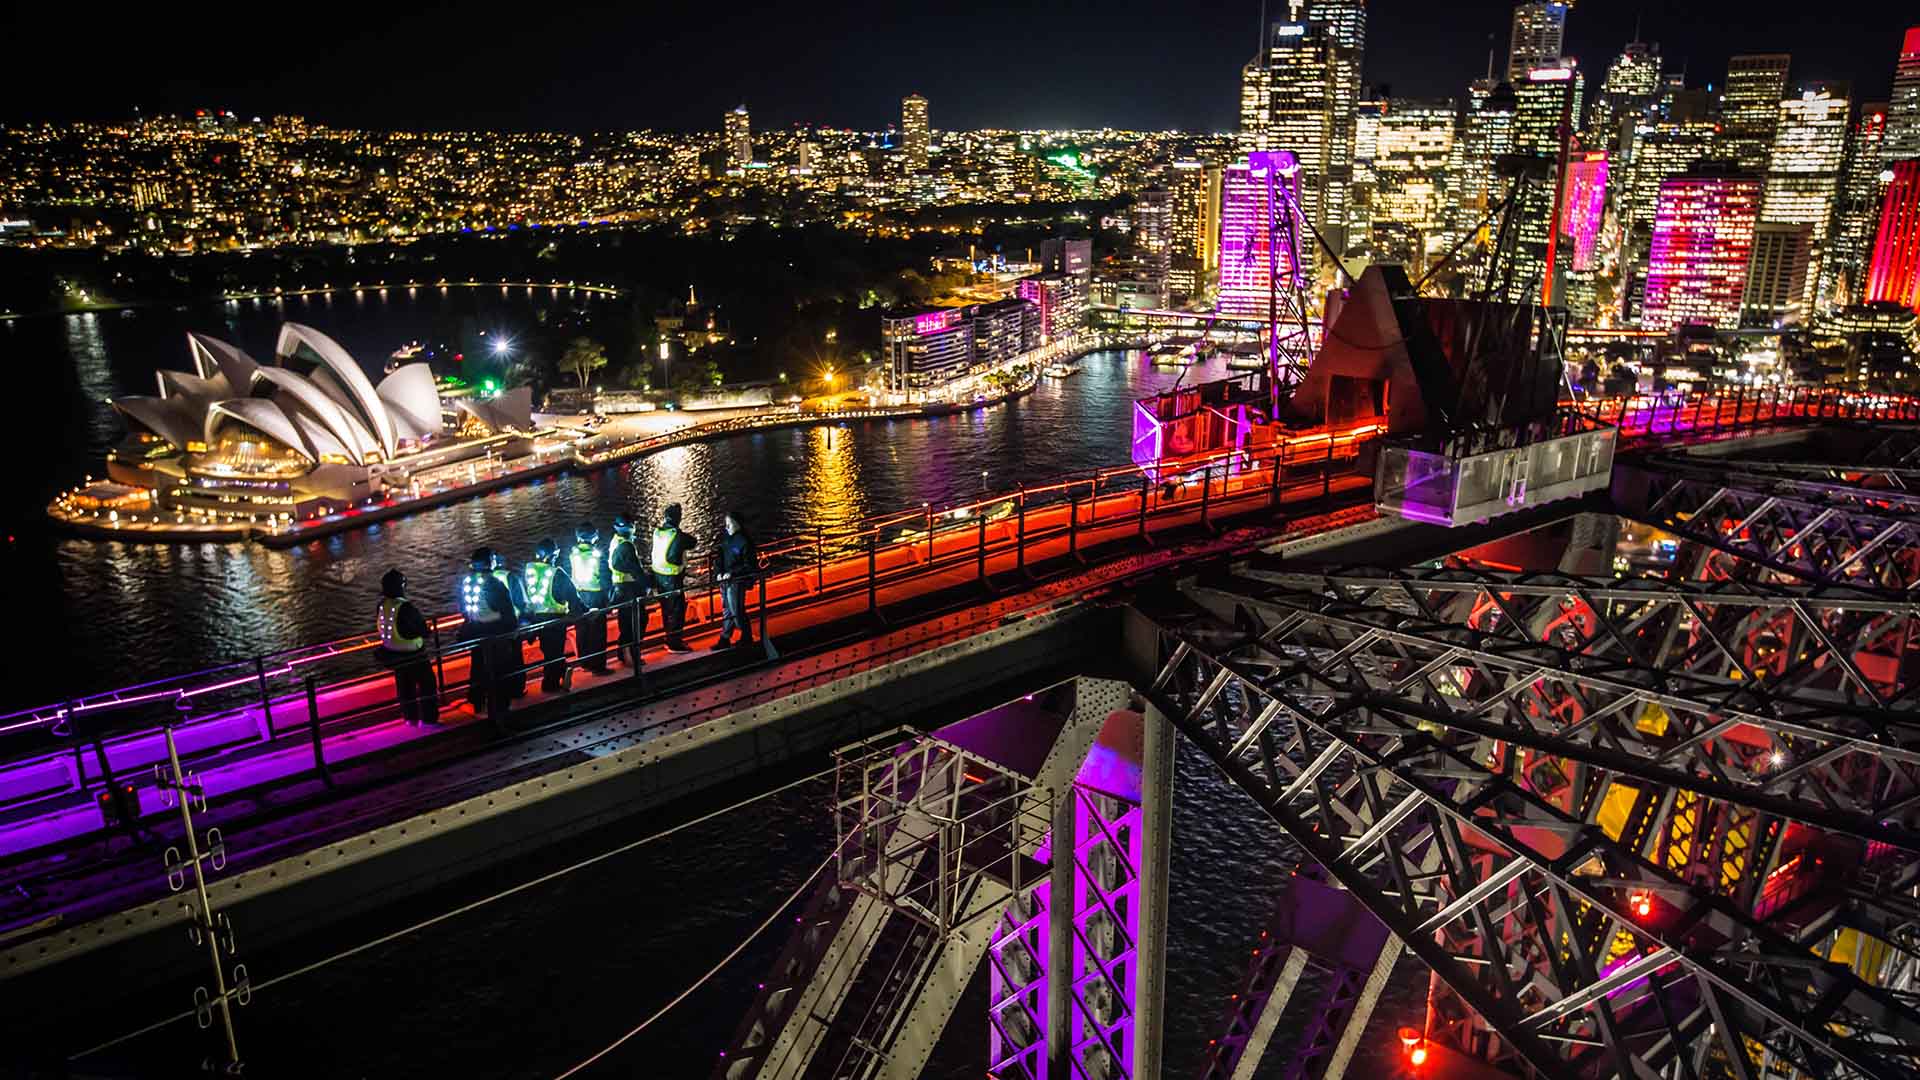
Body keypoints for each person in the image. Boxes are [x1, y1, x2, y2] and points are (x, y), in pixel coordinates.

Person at [459, 547, 517, 719]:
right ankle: (499, 708)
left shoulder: (467, 582)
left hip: (475, 631)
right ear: (489, 562)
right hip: (495, 632)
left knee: (478, 668)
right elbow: (507, 610)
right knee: (500, 671)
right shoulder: (494, 583)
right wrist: (513, 630)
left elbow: (463, 608)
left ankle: (477, 700)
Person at [374, 568, 438, 725]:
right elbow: (422, 630)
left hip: (394, 655)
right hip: (414, 654)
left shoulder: (382, 606)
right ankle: (429, 720)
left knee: (405, 688)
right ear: (402, 586)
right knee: (427, 685)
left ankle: (411, 718)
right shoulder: (406, 607)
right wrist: (428, 631)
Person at [521, 539, 572, 692]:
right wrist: (583, 610)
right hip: (555, 619)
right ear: (554, 554)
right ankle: (551, 683)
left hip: (537, 618)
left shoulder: (529, 570)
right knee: (555, 651)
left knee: (548, 650)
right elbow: (572, 594)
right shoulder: (557, 573)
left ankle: (558, 673)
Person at [651, 503, 700, 653]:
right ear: (678, 519)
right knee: (677, 611)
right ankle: (675, 643)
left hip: (659, 578)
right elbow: (693, 542)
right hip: (672, 580)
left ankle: (669, 638)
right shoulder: (677, 536)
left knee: (666, 610)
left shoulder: (658, 532)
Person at [608, 514, 650, 669]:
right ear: (631, 527)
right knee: (638, 621)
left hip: (620, 588)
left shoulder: (616, 541)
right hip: (630, 589)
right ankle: (632, 656)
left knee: (625, 622)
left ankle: (623, 654)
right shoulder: (626, 546)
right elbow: (636, 570)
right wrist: (647, 585)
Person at [568, 522, 612, 674]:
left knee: (582, 630)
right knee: (598, 632)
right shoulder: (597, 554)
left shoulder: (573, 553)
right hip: (596, 596)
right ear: (594, 536)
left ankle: (585, 662)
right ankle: (598, 666)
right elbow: (605, 579)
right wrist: (608, 599)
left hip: (579, 596)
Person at [715, 509, 759, 650]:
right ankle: (725, 638)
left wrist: (732, 573)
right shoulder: (727, 538)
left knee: (736, 610)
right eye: (726, 524)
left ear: (738, 524)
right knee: (727, 610)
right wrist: (718, 572)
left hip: (737, 581)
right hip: (726, 580)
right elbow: (719, 557)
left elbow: (749, 565)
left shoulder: (744, 542)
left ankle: (745, 636)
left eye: (730, 524)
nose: (727, 527)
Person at [491, 550, 528, 699]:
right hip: (511, 625)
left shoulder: (485, 580)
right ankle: (517, 690)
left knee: (497, 662)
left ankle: (500, 691)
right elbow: (522, 603)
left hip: (492, 627)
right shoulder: (510, 577)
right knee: (515, 659)